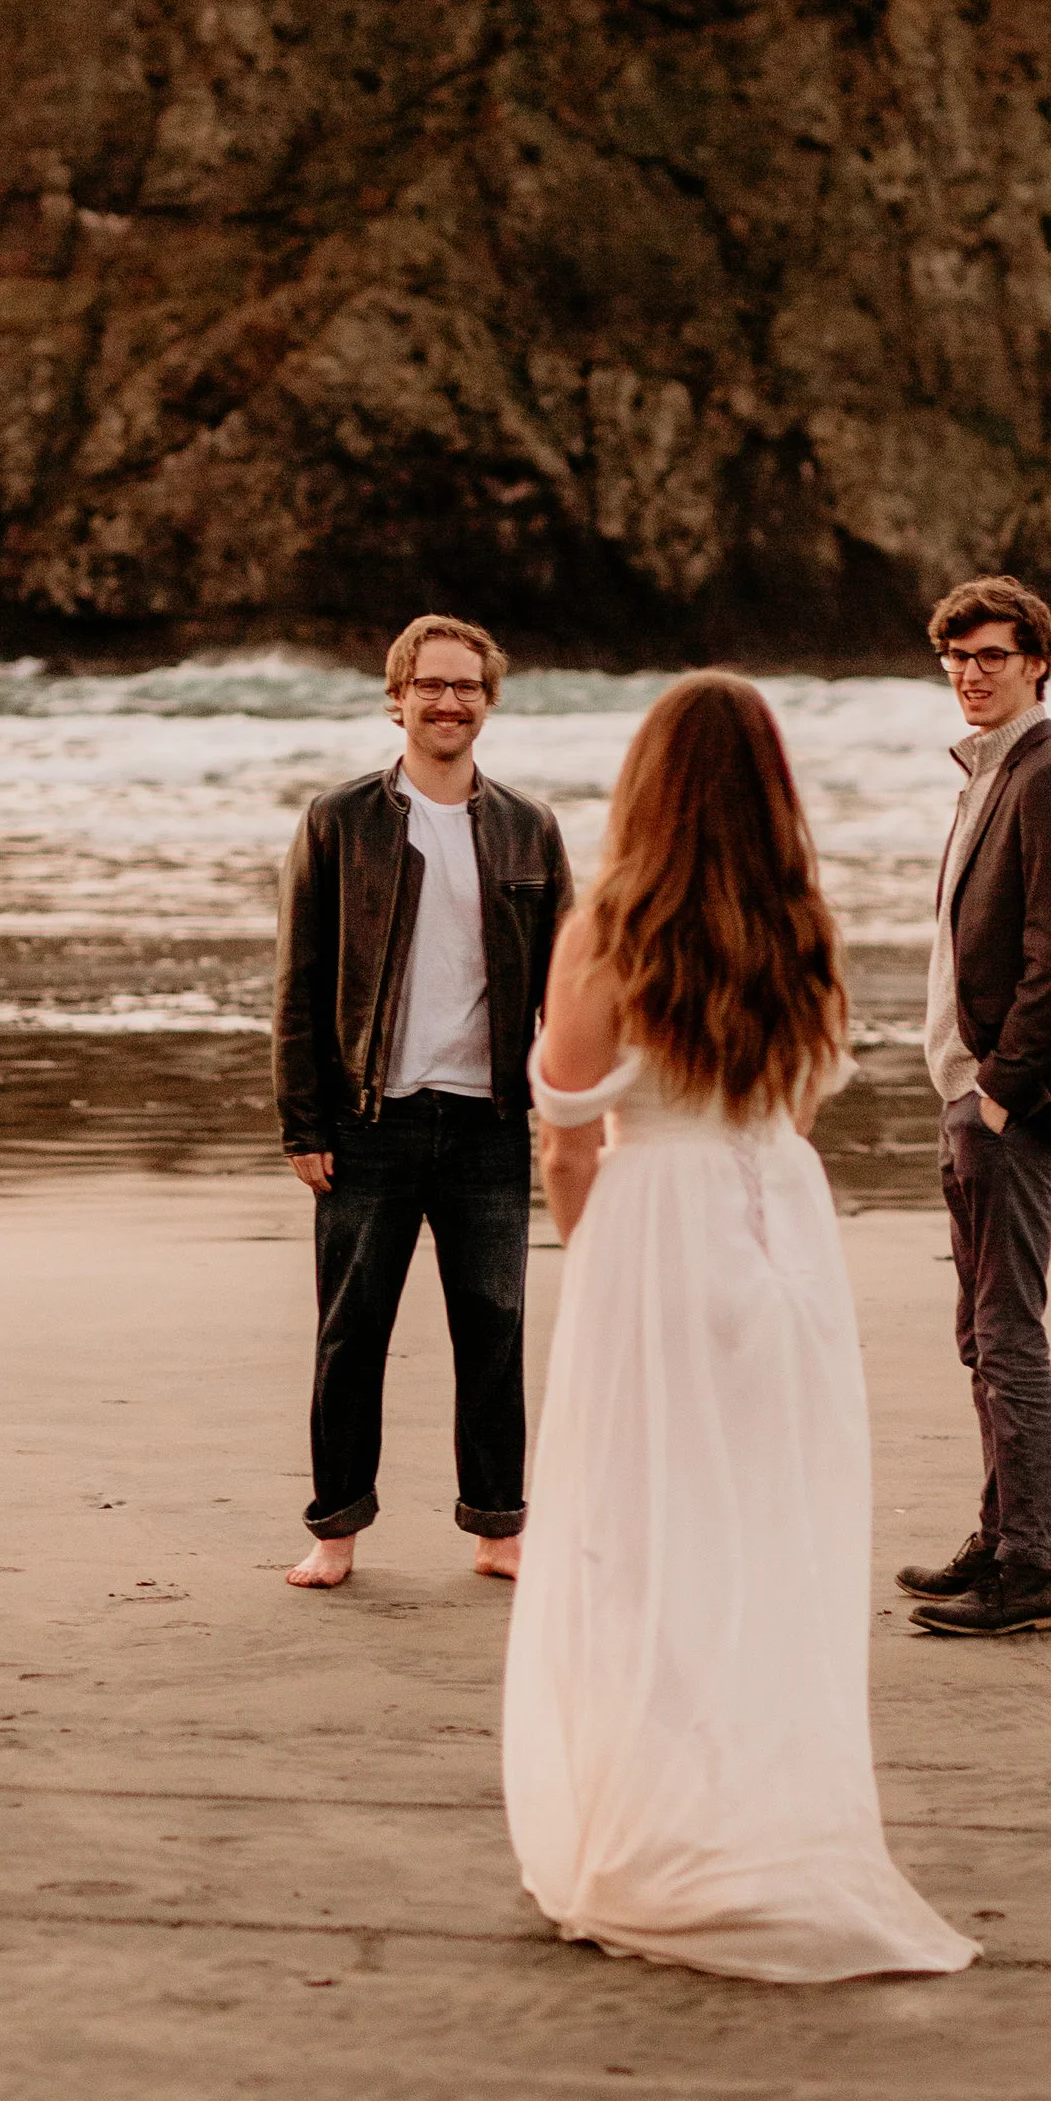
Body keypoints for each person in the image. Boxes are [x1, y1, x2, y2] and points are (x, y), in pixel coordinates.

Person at [502, 672, 976, 1984]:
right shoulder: (798, 921)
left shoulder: (608, 924)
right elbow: (800, 1101)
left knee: (638, 1545)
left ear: (648, 782)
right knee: (763, 1543)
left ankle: (650, 1834)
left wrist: (599, 1246)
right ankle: (749, 1824)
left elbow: (563, 1119)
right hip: (784, 1240)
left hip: (656, 1232)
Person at [274, 614, 573, 1590]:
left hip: (487, 1122)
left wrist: (568, 1106)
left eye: (468, 688)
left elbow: (569, 987)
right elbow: (299, 980)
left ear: (489, 701)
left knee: (493, 1332)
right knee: (350, 1337)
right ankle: (334, 1532)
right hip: (369, 1121)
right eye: (432, 685)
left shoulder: (528, 827)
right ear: (395, 695)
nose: (450, 703)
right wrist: (302, 1121)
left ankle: (497, 1525)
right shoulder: (339, 820)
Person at [898, 575, 1051, 1643]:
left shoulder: (1046, 777)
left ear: (1037, 661)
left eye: (990, 655)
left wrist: (999, 1089)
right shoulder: (986, 773)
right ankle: (998, 1535)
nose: (968, 674)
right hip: (968, 1087)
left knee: (1006, 1333)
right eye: (956, 656)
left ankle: (1029, 1571)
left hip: (1004, 1102)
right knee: (977, 1336)